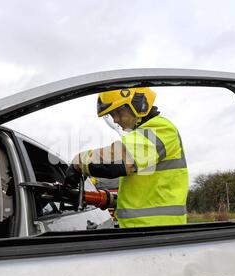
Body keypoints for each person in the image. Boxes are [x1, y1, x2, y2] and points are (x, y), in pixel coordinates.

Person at [66, 87, 188, 228]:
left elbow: (118, 161)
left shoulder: (161, 129)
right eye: (112, 115)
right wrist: (111, 200)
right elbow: (145, 193)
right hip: (144, 232)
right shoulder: (140, 139)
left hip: (157, 234)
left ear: (138, 104)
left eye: (118, 112)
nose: (116, 119)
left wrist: (78, 162)